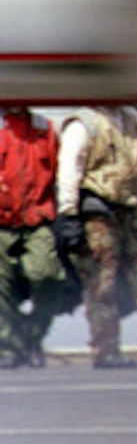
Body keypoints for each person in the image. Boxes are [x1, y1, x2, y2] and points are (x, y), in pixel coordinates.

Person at [56, 106, 137, 369]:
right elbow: (69, 168)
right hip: (99, 214)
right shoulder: (83, 124)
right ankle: (106, 350)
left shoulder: (131, 119)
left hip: (134, 211)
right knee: (102, 283)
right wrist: (69, 213)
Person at [0, 108, 71, 369]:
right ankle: (11, 347)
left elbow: (61, 171)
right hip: (2, 223)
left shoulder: (45, 128)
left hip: (36, 219)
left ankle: (32, 334)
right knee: (1, 289)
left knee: (47, 277)